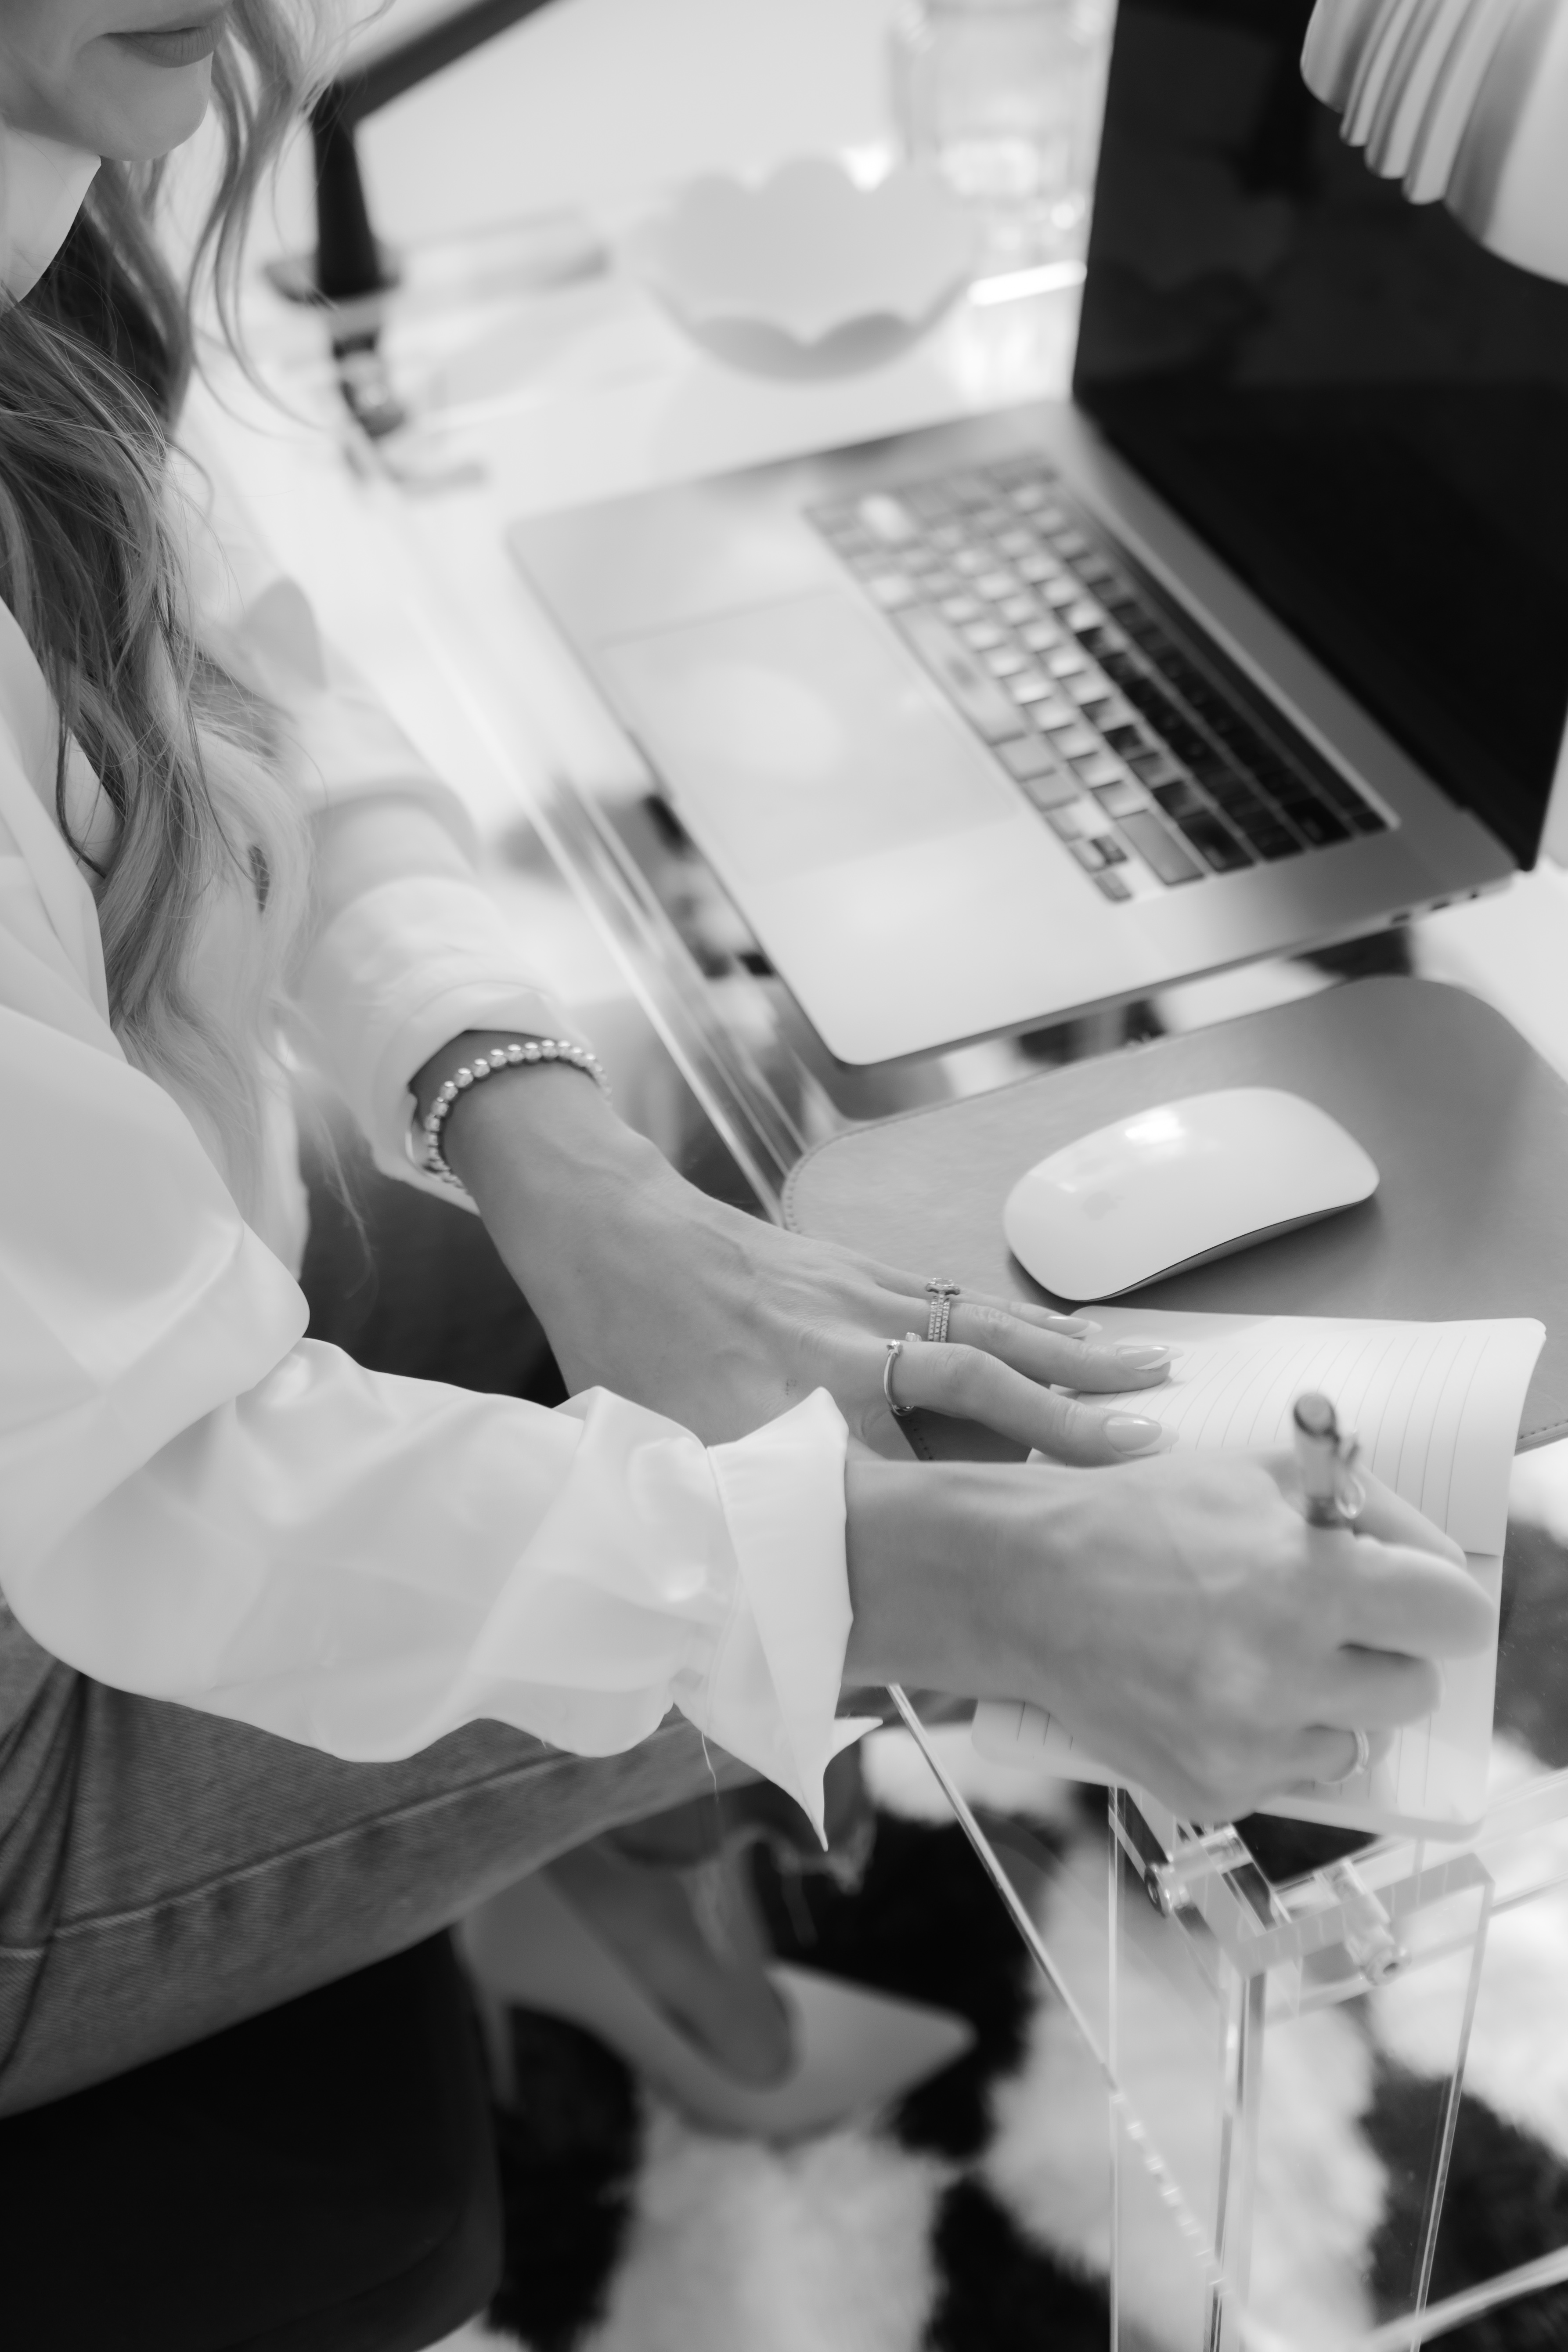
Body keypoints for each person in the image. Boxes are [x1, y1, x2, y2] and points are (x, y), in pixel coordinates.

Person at [0, 0, 1490, 2125]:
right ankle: (652, 1910)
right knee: (890, 1501)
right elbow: (160, 1500)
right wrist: (966, 1585)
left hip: (97, 1350)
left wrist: (563, 1166)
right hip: (34, 1747)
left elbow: (250, 693)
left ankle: (630, 1897)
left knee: (723, 1203)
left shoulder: (47, 196)